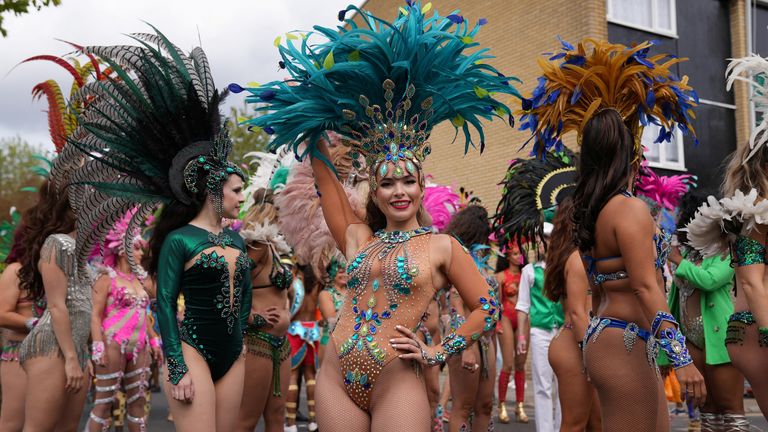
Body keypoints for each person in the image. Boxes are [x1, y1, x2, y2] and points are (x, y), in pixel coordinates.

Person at [236, 2, 518, 429]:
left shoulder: (442, 246)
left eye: (408, 182)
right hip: (335, 376)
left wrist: (435, 353)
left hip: (396, 380)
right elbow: (325, 176)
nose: (399, 192)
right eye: (387, 183)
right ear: (377, 190)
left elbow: (488, 307)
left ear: (421, 186)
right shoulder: (357, 236)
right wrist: (314, 109)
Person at [61, 27, 251, 432]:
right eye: (237, 191)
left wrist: (247, 335)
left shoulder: (237, 239)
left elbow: (245, 292)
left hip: (237, 354)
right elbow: (165, 303)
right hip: (193, 351)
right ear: (213, 192)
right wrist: (178, 366)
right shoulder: (180, 241)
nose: (242, 198)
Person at [521, 38, 705, 430]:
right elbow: (644, 286)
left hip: (622, 340)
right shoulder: (629, 209)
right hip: (623, 343)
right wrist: (682, 357)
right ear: (629, 153)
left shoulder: (598, 210)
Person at [664, 193, 748, 430]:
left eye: (682, 217)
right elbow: (674, 300)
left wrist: (678, 261)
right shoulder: (688, 255)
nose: (678, 222)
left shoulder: (726, 251)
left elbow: (710, 280)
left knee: (730, 409)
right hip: (691, 340)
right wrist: (666, 352)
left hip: (720, 337)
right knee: (707, 410)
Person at [17, 184, 91, 431]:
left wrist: (82, 352)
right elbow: (58, 305)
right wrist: (71, 357)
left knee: (67, 428)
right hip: (52, 346)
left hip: (75, 349)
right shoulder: (56, 243)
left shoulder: (78, 248)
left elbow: (83, 307)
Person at [86, 211, 161, 431]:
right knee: (104, 404)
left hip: (140, 346)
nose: (141, 253)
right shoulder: (105, 277)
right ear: (122, 250)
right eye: (137, 248)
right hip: (112, 345)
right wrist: (98, 345)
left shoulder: (141, 280)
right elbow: (95, 314)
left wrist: (154, 338)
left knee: (138, 403)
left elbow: (142, 312)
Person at [236, 187, 294, 432]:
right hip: (258, 341)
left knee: (277, 415)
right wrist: (249, 316)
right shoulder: (258, 245)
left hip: (281, 344)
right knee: (247, 419)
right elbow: (230, 283)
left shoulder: (274, 247)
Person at [543, 199, 602, 432]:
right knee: (574, 424)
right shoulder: (577, 260)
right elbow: (578, 313)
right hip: (576, 347)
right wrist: (593, 357)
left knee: (597, 423)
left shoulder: (580, 256)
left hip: (579, 344)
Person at [444, 205, 498, 432]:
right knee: (463, 406)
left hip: (487, 340)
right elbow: (457, 305)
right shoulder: (461, 263)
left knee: (485, 406)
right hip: (467, 339)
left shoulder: (483, 267)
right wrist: (466, 347)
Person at [494, 246, 529, 424]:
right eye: (515, 253)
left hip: (523, 320)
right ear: (508, 256)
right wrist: (497, 323)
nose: (519, 256)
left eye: (520, 253)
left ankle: (520, 405)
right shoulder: (500, 277)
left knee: (521, 364)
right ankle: (501, 405)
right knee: (507, 364)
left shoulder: (527, 275)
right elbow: (497, 304)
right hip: (507, 318)